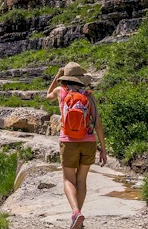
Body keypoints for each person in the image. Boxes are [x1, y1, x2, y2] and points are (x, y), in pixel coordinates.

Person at [46, 62, 106, 229]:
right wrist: (103, 150)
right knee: (81, 179)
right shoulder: (88, 95)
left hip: (68, 141)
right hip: (88, 142)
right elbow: (98, 125)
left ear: (65, 78)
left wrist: (57, 76)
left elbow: (47, 95)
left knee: (68, 179)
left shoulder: (61, 91)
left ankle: (75, 212)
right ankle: (78, 218)